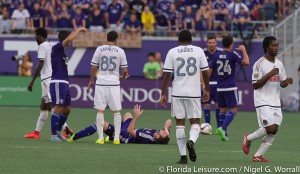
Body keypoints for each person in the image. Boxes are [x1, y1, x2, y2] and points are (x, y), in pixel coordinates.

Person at [160, 30, 210, 164]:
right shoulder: (199, 51)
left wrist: (163, 93)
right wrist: (207, 89)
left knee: (180, 125)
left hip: (177, 92)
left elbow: (167, 75)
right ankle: (192, 141)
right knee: (195, 123)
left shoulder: (172, 51)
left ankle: (183, 157)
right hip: (193, 93)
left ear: (178, 40)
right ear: (191, 40)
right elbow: (205, 72)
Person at [242, 36, 293, 162]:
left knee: (273, 131)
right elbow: (255, 85)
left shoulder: (279, 64)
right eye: (273, 45)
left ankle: (258, 155)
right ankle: (248, 138)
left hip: (275, 101)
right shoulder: (259, 64)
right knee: (269, 128)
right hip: (262, 100)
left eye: (277, 45)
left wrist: (286, 82)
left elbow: (281, 83)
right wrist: (270, 73)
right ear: (266, 47)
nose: (276, 48)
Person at [24, 28, 72, 139]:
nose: (35, 38)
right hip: (48, 77)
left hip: (48, 78)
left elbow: (40, 64)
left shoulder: (42, 46)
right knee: (43, 105)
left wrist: (32, 81)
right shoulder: (49, 45)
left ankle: (66, 129)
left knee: (52, 106)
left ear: (40, 36)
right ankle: (36, 132)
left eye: (36, 36)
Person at [87, 31, 128, 145]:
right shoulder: (120, 51)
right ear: (116, 39)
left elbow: (93, 67)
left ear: (107, 38)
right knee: (116, 112)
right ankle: (116, 138)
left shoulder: (99, 49)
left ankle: (100, 138)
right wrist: (123, 77)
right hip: (114, 83)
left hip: (101, 82)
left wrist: (91, 80)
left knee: (100, 110)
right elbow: (124, 71)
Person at [209, 35, 250, 141]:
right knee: (234, 109)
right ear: (231, 44)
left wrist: (205, 84)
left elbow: (209, 71)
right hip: (230, 86)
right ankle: (223, 128)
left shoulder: (216, 55)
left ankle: (224, 132)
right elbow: (246, 62)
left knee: (223, 109)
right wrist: (244, 50)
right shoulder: (232, 54)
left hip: (219, 87)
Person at [49, 27, 86, 142]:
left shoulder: (63, 52)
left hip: (65, 82)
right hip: (58, 82)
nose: (71, 41)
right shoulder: (56, 48)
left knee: (67, 109)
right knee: (58, 108)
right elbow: (69, 38)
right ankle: (54, 136)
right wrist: (78, 30)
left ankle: (59, 132)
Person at [68, 104, 171, 144]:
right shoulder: (158, 133)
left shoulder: (147, 137)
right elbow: (169, 121)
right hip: (129, 132)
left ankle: (74, 137)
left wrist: (136, 117)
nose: (162, 130)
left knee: (100, 123)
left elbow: (130, 131)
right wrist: (166, 128)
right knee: (127, 114)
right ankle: (111, 136)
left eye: (163, 132)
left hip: (125, 136)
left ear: (158, 137)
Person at [202, 35, 223, 130]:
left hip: (218, 83)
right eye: (209, 42)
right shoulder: (202, 53)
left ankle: (219, 127)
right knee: (206, 104)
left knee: (219, 105)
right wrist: (202, 83)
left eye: (213, 42)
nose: (211, 44)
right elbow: (200, 69)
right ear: (207, 43)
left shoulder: (221, 52)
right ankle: (207, 127)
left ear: (216, 43)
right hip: (207, 84)